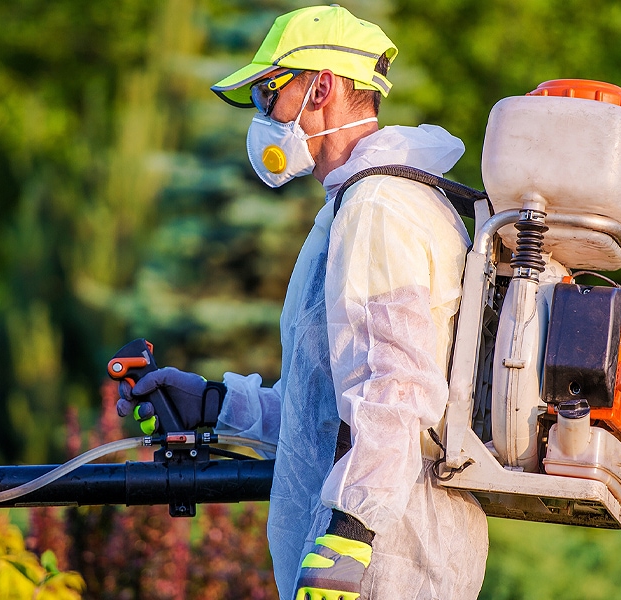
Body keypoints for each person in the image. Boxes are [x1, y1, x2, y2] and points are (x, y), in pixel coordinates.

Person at [118, 5, 489, 599]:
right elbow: (326, 416)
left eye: (270, 91)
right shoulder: (360, 204)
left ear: (320, 86)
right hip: (373, 563)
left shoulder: (378, 208)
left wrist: (347, 537)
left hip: (384, 568)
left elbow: (395, 391)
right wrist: (217, 406)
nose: (265, 114)